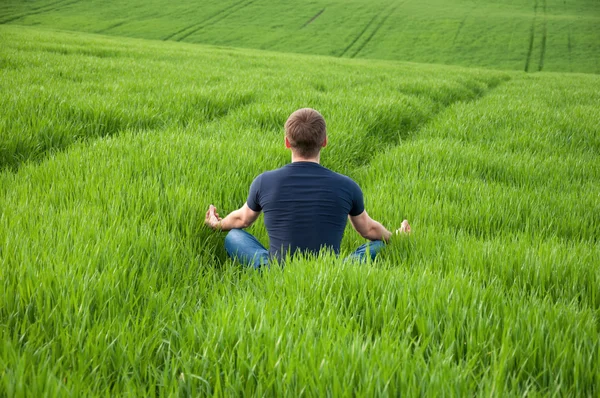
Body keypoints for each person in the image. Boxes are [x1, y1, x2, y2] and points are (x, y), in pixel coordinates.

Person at [205, 108, 411, 268]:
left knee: (234, 236)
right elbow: (369, 229)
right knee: (380, 245)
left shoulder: (264, 181)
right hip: (331, 270)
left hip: (276, 268)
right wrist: (396, 238)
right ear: (325, 141)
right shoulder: (347, 185)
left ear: (287, 142)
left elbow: (242, 219)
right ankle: (343, 267)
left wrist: (216, 224)